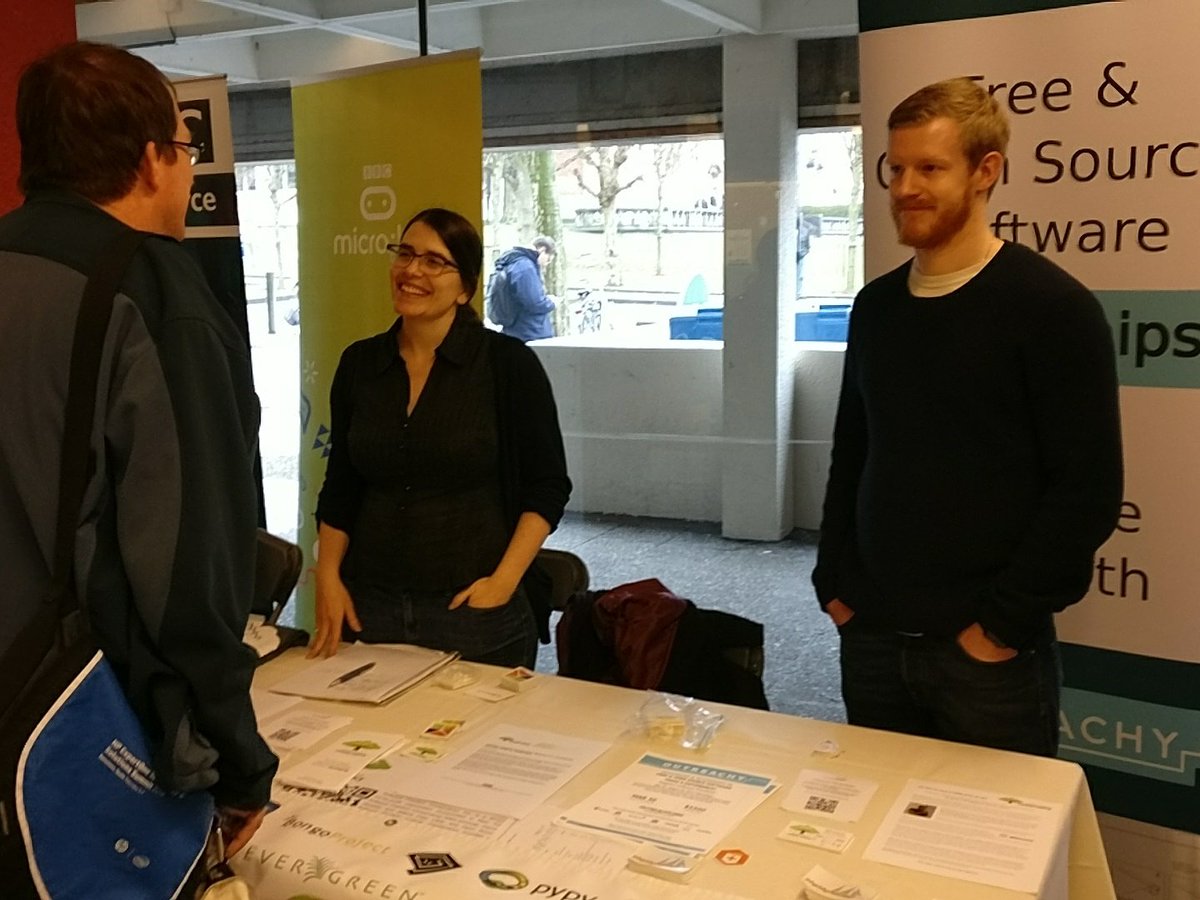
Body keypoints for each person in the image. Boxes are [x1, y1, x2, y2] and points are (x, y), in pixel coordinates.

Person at [0, 42, 276, 889]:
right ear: (153, 158)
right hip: (92, 733)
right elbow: (190, 563)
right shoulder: (150, 293)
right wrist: (238, 760)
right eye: (185, 152)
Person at [812, 77, 1123, 757]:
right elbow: (853, 452)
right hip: (872, 636)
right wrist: (833, 584)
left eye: (930, 168)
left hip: (987, 657)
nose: (905, 188)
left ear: (986, 172)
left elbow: (1087, 490)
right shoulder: (876, 308)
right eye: (896, 168)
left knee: (998, 827)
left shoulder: (1052, 309)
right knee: (874, 817)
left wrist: (999, 629)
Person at [310, 208, 571, 668]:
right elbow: (342, 484)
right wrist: (328, 576)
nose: (412, 270)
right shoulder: (360, 364)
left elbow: (547, 486)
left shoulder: (507, 365)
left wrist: (503, 583)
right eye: (405, 254)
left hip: (474, 612)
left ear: (465, 288)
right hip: (369, 608)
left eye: (434, 261)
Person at [486, 234, 557, 342]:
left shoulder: (512, 263)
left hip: (515, 329)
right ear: (542, 250)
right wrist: (551, 302)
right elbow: (533, 303)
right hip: (529, 332)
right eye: (548, 260)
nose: (546, 264)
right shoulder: (525, 267)